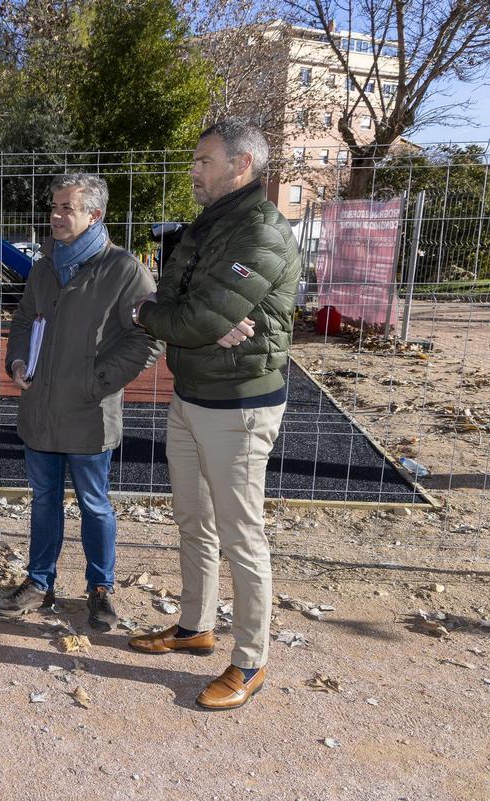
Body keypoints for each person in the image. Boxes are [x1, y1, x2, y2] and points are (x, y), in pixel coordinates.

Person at [127, 118, 300, 711]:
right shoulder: (209, 226)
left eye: (204, 160)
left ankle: (251, 659)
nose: (194, 170)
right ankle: (195, 625)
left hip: (240, 405)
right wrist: (174, 315)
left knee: (241, 533)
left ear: (241, 165)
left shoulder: (262, 234)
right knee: (193, 518)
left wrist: (156, 317)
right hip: (192, 392)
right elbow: (178, 303)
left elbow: (192, 318)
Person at [0, 174, 161, 630]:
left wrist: (96, 382)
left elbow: (148, 340)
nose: (55, 215)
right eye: (54, 205)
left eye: (66, 207)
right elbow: (26, 319)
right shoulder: (46, 266)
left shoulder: (124, 270)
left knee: (95, 503)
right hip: (40, 411)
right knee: (44, 500)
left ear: (94, 215)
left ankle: (100, 590)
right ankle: (39, 583)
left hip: (89, 412)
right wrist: (16, 361)